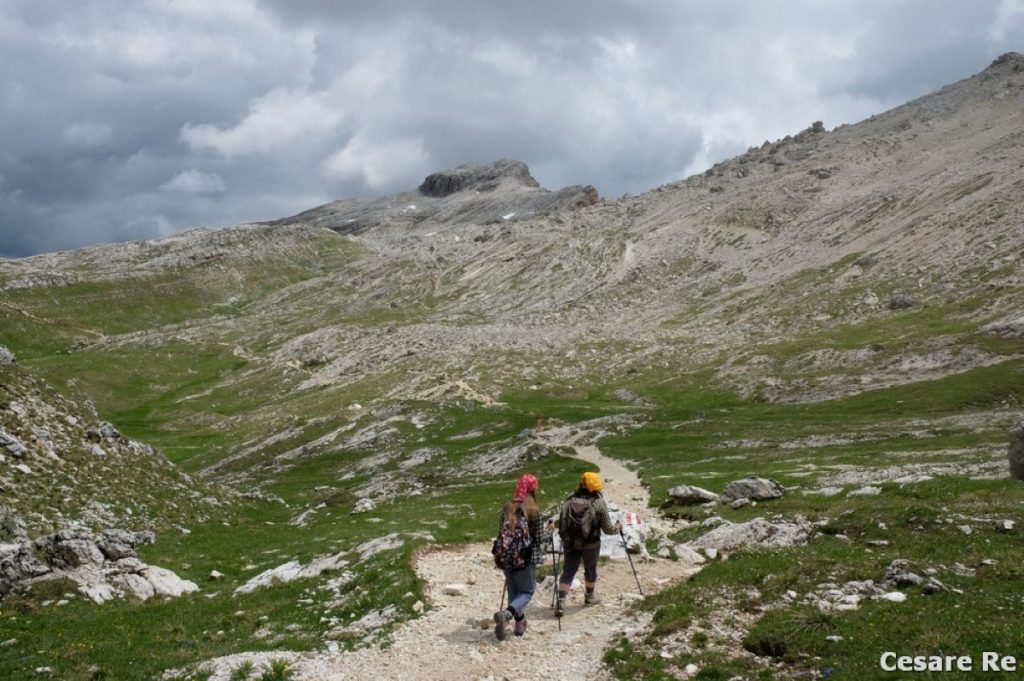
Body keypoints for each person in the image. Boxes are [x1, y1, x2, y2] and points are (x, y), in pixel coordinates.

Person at [493, 473, 552, 640]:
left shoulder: (507, 508)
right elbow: (539, 540)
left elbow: (500, 534)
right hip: (525, 559)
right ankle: (507, 615)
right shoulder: (534, 511)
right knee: (527, 591)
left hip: (506, 558)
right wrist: (550, 531)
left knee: (514, 592)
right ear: (533, 491)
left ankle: (519, 624)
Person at [555, 471, 621, 617]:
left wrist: (554, 525)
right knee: (590, 569)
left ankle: (560, 600)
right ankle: (589, 597)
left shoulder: (570, 500)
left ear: (582, 484)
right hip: (591, 544)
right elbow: (608, 529)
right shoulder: (599, 503)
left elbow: (562, 521)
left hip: (570, 542)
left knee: (568, 570)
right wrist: (618, 528)